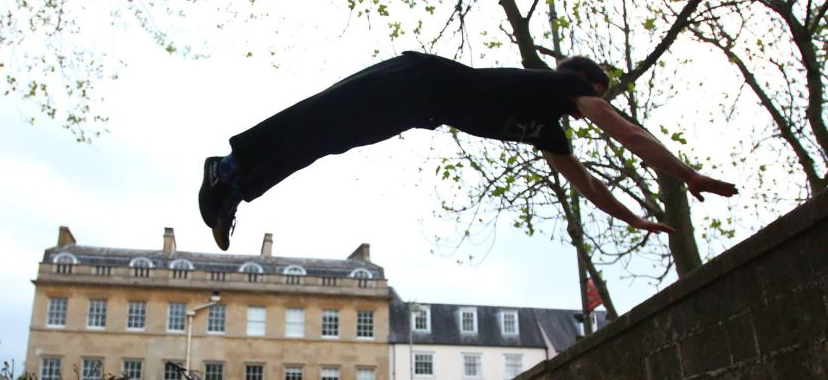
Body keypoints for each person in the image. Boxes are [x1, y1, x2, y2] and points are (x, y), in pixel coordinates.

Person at [199, 51, 737, 251]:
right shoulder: (557, 87)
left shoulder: (548, 129)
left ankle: (235, 186)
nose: (600, 109)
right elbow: (629, 134)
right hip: (417, 77)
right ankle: (227, 167)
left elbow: (590, 187)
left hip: (416, 109)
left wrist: (637, 221)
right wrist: (687, 174)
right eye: (600, 98)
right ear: (586, 86)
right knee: (321, 117)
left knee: (324, 141)